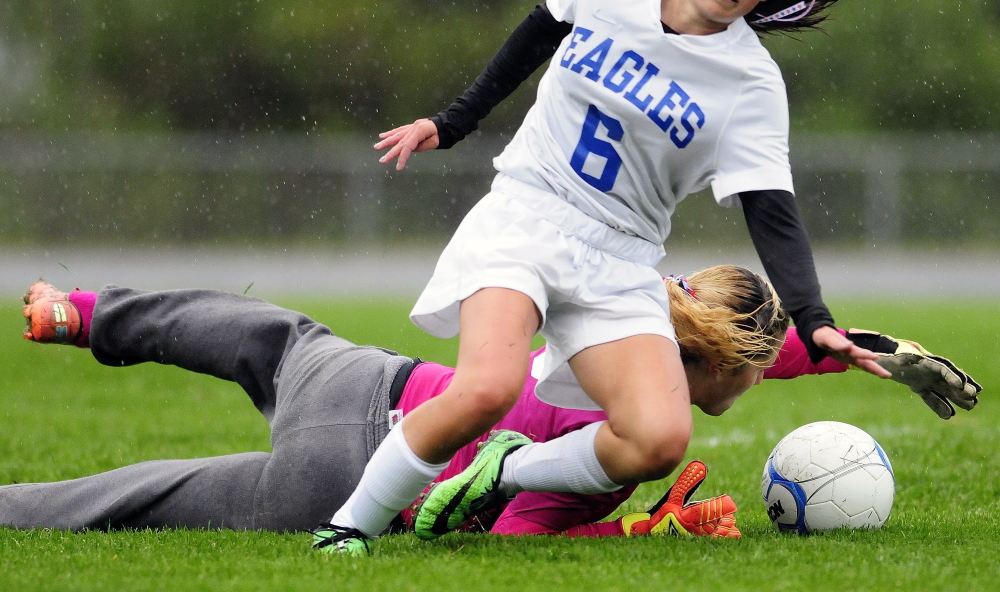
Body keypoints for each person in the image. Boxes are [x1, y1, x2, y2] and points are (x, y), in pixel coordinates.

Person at [327, 0, 888, 553]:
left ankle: (502, 472)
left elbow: (771, 209)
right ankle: (346, 530)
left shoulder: (752, 83)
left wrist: (814, 317)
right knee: (487, 386)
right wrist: (453, 121)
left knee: (657, 439)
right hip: (528, 214)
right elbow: (539, 31)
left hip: (621, 258)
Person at [12, 269, 979, 552]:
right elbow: (507, 529)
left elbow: (739, 345)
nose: (762, 382)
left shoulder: (632, 317)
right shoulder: (642, 437)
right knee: (141, 504)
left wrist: (860, 352)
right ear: (717, 369)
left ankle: (82, 312)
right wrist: (635, 534)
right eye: (757, 373)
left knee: (263, 332)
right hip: (345, 479)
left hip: (362, 380)